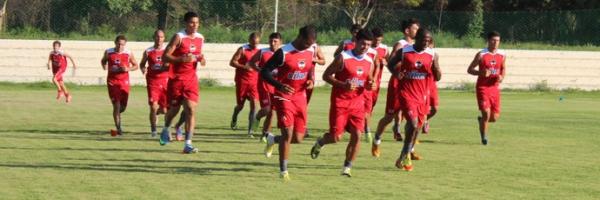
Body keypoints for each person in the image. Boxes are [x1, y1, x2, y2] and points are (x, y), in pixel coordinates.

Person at [310, 29, 376, 177]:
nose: (365, 47)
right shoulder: (343, 57)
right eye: (363, 43)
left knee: (357, 135)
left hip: (357, 104)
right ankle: (320, 143)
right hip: (340, 103)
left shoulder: (369, 61)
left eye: (368, 45)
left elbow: (368, 79)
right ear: (356, 42)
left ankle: (347, 167)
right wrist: (342, 84)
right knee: (335, 137)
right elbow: (326, 76)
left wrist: (370, 85)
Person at [260, 25, 317, 181]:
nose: (309, 46)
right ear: (300, 37)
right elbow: (264, 71)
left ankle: (272, 139)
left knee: (298, 138)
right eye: (307, 43)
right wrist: (279, 85)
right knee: (287, 133)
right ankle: (283, 171)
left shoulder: (311, 50)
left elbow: (310, 68)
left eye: (311, 43)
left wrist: (310, 80)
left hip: (300, 97)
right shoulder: (283, 53)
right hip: (283, 96)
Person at [159, 11, 206, 154]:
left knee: (191, 109)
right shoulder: (179, 37)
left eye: (197, 22)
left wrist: (201, 59)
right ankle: (166, 127)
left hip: (191, 79)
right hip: (176, 80)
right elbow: (165, 56)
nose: (195, 25)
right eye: (192, 22)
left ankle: (188, 144)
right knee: (174, 110)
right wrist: (180, 59)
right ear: (186, 23)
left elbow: (197, 56)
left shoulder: (200, 38)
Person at [371, 18, 419, 157]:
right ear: (407, 31)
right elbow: (391, 61)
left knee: (413, 119)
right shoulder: (401, 44)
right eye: (415, 28)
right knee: (389, 116)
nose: (417, 31)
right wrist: (398, 72)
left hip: (411, 85)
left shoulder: (418, 46)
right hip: (397, 84)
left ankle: (410, 150)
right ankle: (376, 141)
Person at [395, 28, 440, 171]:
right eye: (424, 40)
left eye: (429, 40)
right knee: (413, 124)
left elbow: (438, 77)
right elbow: (391, 63)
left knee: (416, 127)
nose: (426, 43)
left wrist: (436, 67)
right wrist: (397, 73)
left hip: (422, 96)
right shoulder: (405, 51)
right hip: (406, 93)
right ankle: (406, 154)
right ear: (417, 38)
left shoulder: (432, 54)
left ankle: (405, 153)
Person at [467, 31, 506, 145]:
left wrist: (501, 77)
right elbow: (469, 69)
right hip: (483, 88)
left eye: (498, 40)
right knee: (486, 113)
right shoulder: (481, 54)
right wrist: (481, 73)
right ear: (488, 41)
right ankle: (484, 138)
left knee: (494, 118)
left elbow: (503, 69)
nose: (495, 43)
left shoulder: (502, 54)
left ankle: (481, 121)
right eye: (493, 40)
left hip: (494, 88)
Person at [101, 35, 139, 136]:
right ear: (115, 42)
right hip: (112, 82)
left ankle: (117, 115)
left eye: (122, 44)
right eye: (118, 43)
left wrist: (128, 69)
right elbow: (103, 60)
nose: (120, 46)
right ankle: (119, 129)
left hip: (124, 82)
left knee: (123, 107)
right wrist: (104, 65)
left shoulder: (128, 53)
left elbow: (136, 65)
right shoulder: (108, 52)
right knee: (117, 105)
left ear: (125, 45)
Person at [248, 32, 283, 142]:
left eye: (275, 41)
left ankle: (264, 135)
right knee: (268, 110)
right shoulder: (263, 52)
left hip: (276, 86)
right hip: (264, 85)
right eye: (271, 41)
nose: (272, 43)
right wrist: (260, 71)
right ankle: (258, 117)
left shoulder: (284, 53)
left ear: (280, 42)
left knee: (271, 113)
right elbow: (251, 62)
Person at [230, 32, 261, 137]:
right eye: (252, 43)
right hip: (242, 81)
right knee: (240, 105)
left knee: (254, 105)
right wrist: (244, 67)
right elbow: (232, 62)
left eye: (256, 43)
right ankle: (234, 116)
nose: (254, 45)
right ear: (249, 40)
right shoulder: (242, 49)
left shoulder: (260, 52)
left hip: (254, 83)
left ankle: (250, 131)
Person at [140, 30, 170, 138]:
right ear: (154, 37)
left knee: (165, 109)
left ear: (164, 38)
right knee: (153, 106)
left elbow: (173, 64)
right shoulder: (148, 51)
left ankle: (158, 113)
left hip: (166, 82)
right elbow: (142, 64)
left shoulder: (168, 51)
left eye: (161, 37)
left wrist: (167, 66)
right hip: (153, 82)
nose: (159, 39)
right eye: (157, 37)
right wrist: (143, 69)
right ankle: (153, 131)